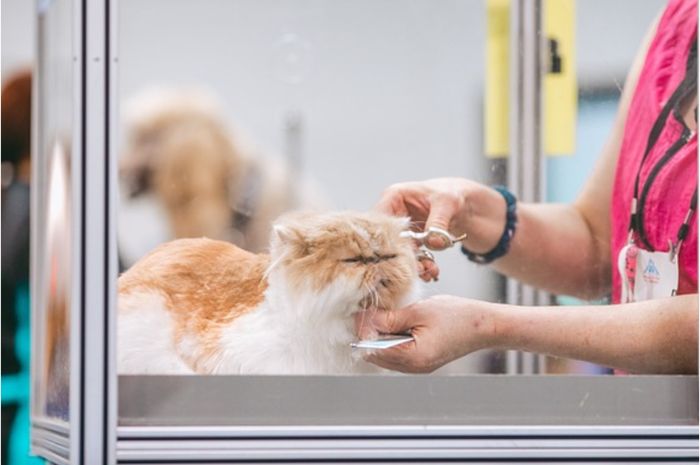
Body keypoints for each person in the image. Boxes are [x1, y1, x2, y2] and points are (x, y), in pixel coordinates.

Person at [363, 0, 698, 375]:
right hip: (650, 423)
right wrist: (471, 211)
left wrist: (488, 326)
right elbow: (598, 245)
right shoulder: (677, 24)